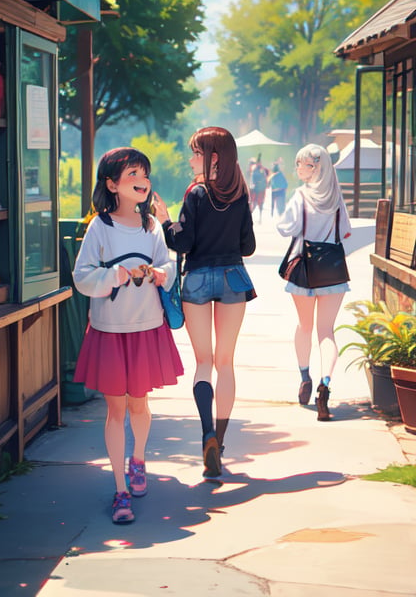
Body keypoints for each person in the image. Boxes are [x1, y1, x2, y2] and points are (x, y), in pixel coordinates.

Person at [73, 147, 184, 524]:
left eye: (145, 173)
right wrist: (116, 275)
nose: (143, 180)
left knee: (139, 404)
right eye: (133, 173)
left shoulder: (152, 226)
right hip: (109, 329)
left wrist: (156, 273)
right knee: (115, 409)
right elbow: (82, 275)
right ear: (112, 184)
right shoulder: (99, 227)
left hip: (146, 327)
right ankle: (120, 489)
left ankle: (139, 460)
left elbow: (168, 268)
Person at [153, 127, 256, 478]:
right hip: (232, 277)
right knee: (226, 362)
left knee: (204, 362)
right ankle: (221, 445)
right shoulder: (240, 194)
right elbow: (248, 247)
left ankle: (206, 433)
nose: (191, 158)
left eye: (196, 152)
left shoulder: (196, 194)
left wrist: (166, 218)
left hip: (197, 278)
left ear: (213, 156)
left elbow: (181, 243)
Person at [276, 144, 351, 421]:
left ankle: (305, 377)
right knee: (327, 332)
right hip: (333, 269)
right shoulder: (336, 196)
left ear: (315, 167)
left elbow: (286, 228)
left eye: (302, 164)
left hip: (305, 270)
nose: (298, 169)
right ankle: (326, 383)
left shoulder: (301, 196)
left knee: (304, 326)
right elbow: (346, 231)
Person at [249, 154, 269, 223]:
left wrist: (263, 184)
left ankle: (260, 219)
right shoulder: (255, 170)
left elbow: (264, 178)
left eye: (259, 162)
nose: (258, 164)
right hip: (256, 188)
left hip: (260, 189)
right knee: (254, 203)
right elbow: (253, 178)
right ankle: (250, 218)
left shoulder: (262, 170)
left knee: (260, 204)